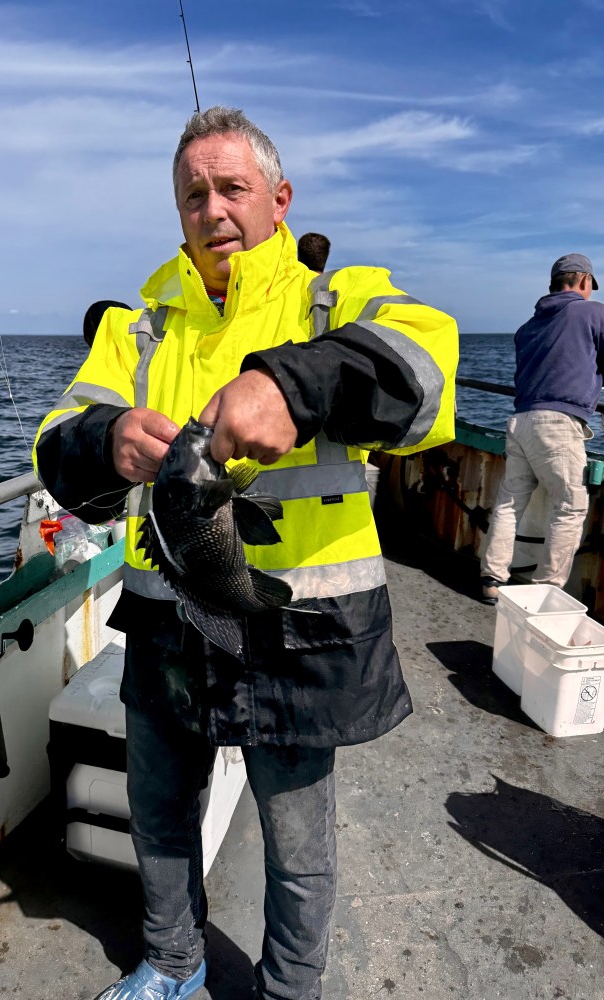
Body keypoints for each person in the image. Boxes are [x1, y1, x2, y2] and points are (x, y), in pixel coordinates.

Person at [33, 106, 458, 1000]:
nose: (213, 209)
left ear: (278, 197)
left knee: (298, 843)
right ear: (177, 210)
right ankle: (173, 962)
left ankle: (288, 991)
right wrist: (105, 439)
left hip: (300, 623)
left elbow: (428, 363)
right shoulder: (136, 326)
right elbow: (56, 439)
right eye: (194, 194)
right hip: (164, 619)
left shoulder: (335, 298)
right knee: (158, 813)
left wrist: (297, 382)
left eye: (232, 188)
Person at [480, 253, 604, 605]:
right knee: (570, 506)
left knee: (509, 503)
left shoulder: (528, 327)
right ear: (583, 281)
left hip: (520, 421)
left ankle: (492, 579)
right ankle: (545, 589)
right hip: (558, 423)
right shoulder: (593, 312)